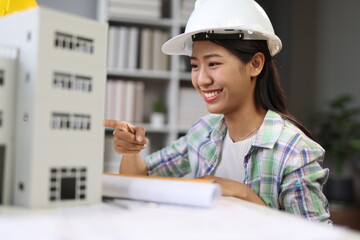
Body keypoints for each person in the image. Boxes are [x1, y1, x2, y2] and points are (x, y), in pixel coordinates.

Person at [104, 0, 331, 224]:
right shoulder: (203, 131)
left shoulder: (294, 151)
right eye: (195, 66)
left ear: (255, 64)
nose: (202, 79)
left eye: (213, 64)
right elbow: (141, 181)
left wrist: (244, 195)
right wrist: (130, 150)